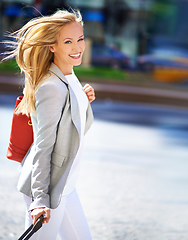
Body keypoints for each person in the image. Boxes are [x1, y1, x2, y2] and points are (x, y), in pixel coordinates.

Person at [6, 9, 95, 239]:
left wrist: (82, 102)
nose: (77, 48)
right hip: (48, 189)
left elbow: (77, 132)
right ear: (52, 46)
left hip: (66, 186)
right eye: (68, 42)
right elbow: (43, 147)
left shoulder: (69, 78)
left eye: (80, 39)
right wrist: (39, 200)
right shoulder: (51, 88)